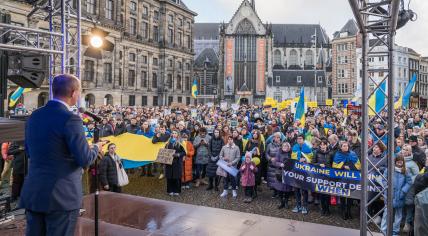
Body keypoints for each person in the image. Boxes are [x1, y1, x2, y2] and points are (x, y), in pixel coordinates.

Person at [20, 74, 103, 236]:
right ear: (73, 93)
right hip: (61, 196)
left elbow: (29, 151)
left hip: (34, 192)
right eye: (79, 92)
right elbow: (84, 159)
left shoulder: (34, 116)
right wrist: (95, 148)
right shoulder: (71, 119)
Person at [380, 154, 412, 236]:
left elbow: (409, 182)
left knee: (398, 216)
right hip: (389, 195)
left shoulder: (406, 170)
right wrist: (387, 188)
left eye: (401, 162)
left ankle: (395, 231)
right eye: (398, 162)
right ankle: (383, 230)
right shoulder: (389, 169)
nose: (399, 163)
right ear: (395, 162)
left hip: (400, 196)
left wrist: (403, 191)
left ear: (403, 162)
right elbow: (384, 179)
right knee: (386, 214)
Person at [332, 141, 361, 220]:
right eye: (344, 146)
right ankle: (343, 212)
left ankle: (349, 211)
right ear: (341, 147)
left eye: (347, 146)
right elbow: (334, 166)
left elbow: (358, 166)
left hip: (351, 179)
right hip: (341, 179)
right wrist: (343, 166)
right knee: (342, 196)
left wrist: (351, 167)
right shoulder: (338, 155)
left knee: (350, 196)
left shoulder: (353, 154)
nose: (346, 147)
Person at [291, 134, 313, 214]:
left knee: (304, 189)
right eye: (298, 139)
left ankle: (305, 206)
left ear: (303, 139)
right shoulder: (294, 147)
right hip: (296, 171)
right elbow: (292, 157)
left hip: (305, 171)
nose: (299, 140)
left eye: (300, 138)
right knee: (296, 189)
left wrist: (305, 160)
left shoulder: (308, 147)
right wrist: (298, 159)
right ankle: (298, 205)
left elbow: (311, 158)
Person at [313, 138, 332, 215]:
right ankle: (322, 208)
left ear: (327, 145)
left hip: (328, 176)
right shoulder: (316, 153)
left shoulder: (330, 153)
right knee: (321, 193)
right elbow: (313, 163)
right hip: (319, 176)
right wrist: (318, 165)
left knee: (327, 193)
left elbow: (332, 164)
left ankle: (327, 209)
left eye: (324, 144)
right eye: (321, 145)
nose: (322, 146)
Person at [164, 130, 186, 196]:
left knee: (176, 176)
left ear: (178, 134)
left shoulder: (181, 142)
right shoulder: (168, 141)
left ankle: (177, 190)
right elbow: (164, 150)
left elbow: (184, 152)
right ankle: (170, 190)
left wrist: (178, 154)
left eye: (175, 133)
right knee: (169, 176)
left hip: (177, 162)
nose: (174, 134)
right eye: (173, 133)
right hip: (169, 161)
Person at [273, 142, 293, 209]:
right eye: (284, 146)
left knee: (287, 189)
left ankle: (286, 202)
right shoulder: (279, 153)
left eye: (287, 146)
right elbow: (275, 162)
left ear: (289, 147)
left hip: (288, 173)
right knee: (280, 189)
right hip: (280, 173)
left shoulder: (291, 153)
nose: (285, 147)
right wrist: (280, 164)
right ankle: (281, 202)